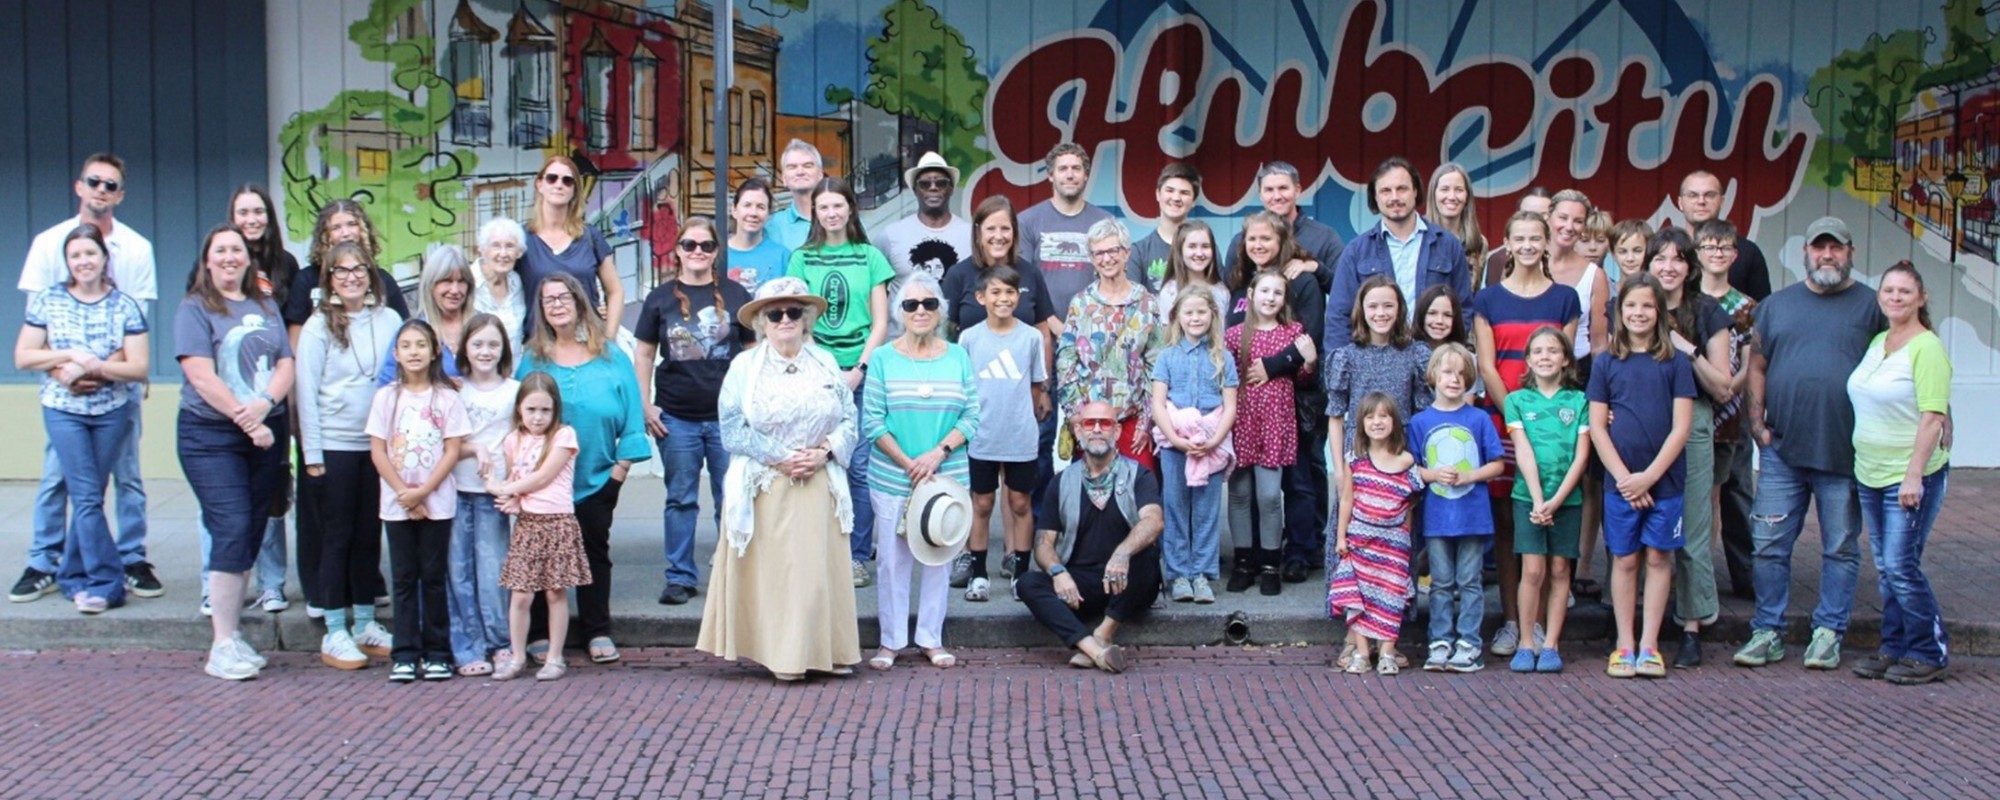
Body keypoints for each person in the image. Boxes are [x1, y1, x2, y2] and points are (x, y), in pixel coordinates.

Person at [1733, 217, 1887, 671]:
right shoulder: (1777, 306)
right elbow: (1757, 365)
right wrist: (1758, 426)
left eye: (1835, 248)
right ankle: (1767, 630)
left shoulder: (1873, 306)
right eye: (1819, 247)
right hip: (1783, 450)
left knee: (1839, 546)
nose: (1827, 256)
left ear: (1850, 252)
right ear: (1805, 252)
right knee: (1768, 544)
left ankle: (1828, 632)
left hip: (1845, 452)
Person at [697, 277, 862, 681]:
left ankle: (829, 650)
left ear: (806, 319)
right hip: (768, 484)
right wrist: (785, 457)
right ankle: (784, 656)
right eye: (775, 313)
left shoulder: (824, 362)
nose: (785, 319)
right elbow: (732, 429)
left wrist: (822, 453)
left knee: (820, 575)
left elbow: (849, 420)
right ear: (762, 323)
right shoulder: (744, 367)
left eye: (793, 312)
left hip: (820, 480)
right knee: (781, 576)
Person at [14, 153, 161, 605]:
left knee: (127, 478)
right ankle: (46, 561)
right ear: (79, 186)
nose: (101, 190)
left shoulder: (136, 248)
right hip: (62, 392)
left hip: (116, 388)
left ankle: (130, 557)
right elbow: (35, 331)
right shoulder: (48, 242)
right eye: (94, 181)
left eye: (111, 185)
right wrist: (67, 372)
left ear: (120, 194)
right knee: (61, 479)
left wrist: (96, 369)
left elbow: (135, 323)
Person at [175, 223, 294, 681]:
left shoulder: (265, 305)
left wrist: (265, 407)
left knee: (249, 530)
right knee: (231, 524)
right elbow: (201, 376)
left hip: (265, 432)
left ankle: (232, 635)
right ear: (208, 260)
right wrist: (248, 421)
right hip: (212, 437)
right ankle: (221, 643)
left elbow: (285, 362)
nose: (229, 257)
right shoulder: (195, 309)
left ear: (248, 259)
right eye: (220, 250)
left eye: (236, 251)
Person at [516, 273, 650, 665]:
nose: (556, 305)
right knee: (541, 554)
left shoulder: (611, 356)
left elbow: (632, 421)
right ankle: (539, 631)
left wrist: (618, 474)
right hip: (543, 481)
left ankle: (596, 629)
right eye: (547, 300)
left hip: (597, 476)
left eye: (563, 297)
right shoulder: (532, 358)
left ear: (580, 302)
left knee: (594, 551)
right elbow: (516, 415)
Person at [283, 199, 405, 617]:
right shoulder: (318, 325)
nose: (351, 278)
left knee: (369, 533)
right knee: (336, 535)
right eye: (342, 272)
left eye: (359, 271)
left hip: (374, 446)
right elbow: (307, 391)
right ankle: (335, 624)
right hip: (333, 445)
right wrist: (311, 454)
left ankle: (366, 618)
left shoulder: (388, 319)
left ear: (370, 275)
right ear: (329, 279)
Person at [1472, 210, 1580, 658]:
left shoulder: (1566, 299)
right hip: (1503, 420)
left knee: (1549, 517)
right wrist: (1515, 414)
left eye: (1537, 237)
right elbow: (1486, 365)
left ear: (1547, 242)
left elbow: (1567, 363)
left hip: (1555, 427)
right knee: (1506, 523)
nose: (1530, 245)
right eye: (1521, 238)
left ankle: (1540, 626)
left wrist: (1541, 416)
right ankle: (1513, 623)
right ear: (1507, 244)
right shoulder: (1489, 300)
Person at [634, 218, 753, 606]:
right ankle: (680, 576)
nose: (697, 251)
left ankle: (732, 572)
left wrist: (752, 405)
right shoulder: (660, 298)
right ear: (679, 251)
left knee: (731, 497)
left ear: (717, 251)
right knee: (681, 497)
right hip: (677, 416)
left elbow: (752, 354)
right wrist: (644, 404)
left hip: (727, 418)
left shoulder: (737, 295)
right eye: (689, 245)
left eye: (705, 245)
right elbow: (645, 353)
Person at [862, 273, 978, 670]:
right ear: (899, 313)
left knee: (938, 557)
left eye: (929, 303)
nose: (921, 311)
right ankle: (890, 641)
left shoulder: (958, 355)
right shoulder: (882, 358)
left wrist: (937, 453)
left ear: (941, 310)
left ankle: (930, 637)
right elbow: (873, 421)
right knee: (892, 562)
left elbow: (973, 415)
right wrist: (909, 463)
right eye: (911, 305)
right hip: (895, 475)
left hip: (945, 476)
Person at [1847, 261, 1952, 686]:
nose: (1895, 298)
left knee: (1901, 565)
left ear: (1921, 298)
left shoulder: (1927, 348)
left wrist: (1913, 476)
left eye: (1904, 292)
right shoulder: (1879, 341)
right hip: (1869, 472)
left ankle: (1929, 650)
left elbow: (1932, 416)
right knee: (1888, 567)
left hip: (1907, 477)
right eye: (1888, 290)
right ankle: (1894, 647)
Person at [787, 176, 894, 587]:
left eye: (838, 205)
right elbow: (795, 318)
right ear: (814, 212)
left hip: (861, 374)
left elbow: (881, 321)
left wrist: (859, 370)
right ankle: (816, 550)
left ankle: (855, 554)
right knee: (814, 459)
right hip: (816, 373)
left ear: (851, 208)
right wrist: (826, 371)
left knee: (860, 464)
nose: (831, 213)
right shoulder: (802, 259)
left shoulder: (869, 257)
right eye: (823, 207)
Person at [1588, 274, 1695, 680]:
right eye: (1631, 306)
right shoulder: (1606, 364)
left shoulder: (1676, 363)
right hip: (1620, 484)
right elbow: (1598, 427)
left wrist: (1648, 477)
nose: (1638, 313)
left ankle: (1650, 643)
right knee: (1626, 558)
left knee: (1658, 556)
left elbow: (1681, 427)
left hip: (1664, 482)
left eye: (1647, 306)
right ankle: (1624, 643)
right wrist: (1623, 478)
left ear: (1660, 312)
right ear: (1619, 312)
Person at [1644, 227, 1735, 668]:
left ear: (1690, 266)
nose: (1668, 267)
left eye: (1677, 259)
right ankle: (1634, 621)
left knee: (1693, 528)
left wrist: (1686, 349)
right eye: (1659, 258)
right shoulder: (1632, 305)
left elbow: (1722, 387)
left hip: (1693, 421)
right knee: (1635, 522)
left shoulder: (1708, 311)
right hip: (1642, 420)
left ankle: (1693, 624)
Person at [1016, 401, 1164, 674]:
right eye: (1089, 423)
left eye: (1105, 423)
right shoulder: (1062, 481)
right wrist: (1058, 572)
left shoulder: (1139, 475)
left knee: (1148, 554)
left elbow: (1154, 521)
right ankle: (1094, 649)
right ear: (1078, 431)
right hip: (1080, 584)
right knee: (1027, 583)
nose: (1097, 430)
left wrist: (1122, 554)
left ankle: (1105, 632)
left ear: (1117, 431)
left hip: (1127, 582)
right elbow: (1043, 543)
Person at [1226, 210, 1327, 582]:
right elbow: (1226, 362)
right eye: (1252, 239)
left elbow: (1307, 345)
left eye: (1266, 239)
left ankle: (1295, 552)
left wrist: (1273, 365)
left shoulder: (1300, 282)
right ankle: (1246, 557)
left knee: (1292, 484)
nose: (1258, 245)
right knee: (1244, 491)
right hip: (1245, 414)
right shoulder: (1239, 284)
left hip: (1285, 411)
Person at [368, 320, 470, 683]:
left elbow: (452, 450)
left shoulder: (447, 398)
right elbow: (378, 451)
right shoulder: (386, 397)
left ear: (435, 352)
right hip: (397, 504)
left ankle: (438, 652)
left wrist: (423, 492)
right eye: (406, 345)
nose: (414, 352)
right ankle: (405, 653)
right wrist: (405, 495)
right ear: (395, 354)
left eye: (421, 345)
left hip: (437, 503)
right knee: (404, 578)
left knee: (433, 577)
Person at [225, 184, 300, 613]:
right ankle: (214, 583)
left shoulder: (284, 264)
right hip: (229, 397)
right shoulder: (216, 258)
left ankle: (271, 582)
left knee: (271, 489)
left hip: (271, 392)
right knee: (224, 491)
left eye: (258, 212)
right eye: (243, 212)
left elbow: (289, 333)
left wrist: (282, 396)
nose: (251, 220)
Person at [957, 266, 1049, 601]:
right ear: (981, 297)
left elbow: (1037, 385)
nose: (1003, 298)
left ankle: (1020, 576)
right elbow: (963, 388)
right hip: (982, 436)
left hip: (1020, 436)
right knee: (981, 503)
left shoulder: (1031, 337)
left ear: (1018, 295)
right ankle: (978, 574)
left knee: (1020, 502)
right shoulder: (968, 338)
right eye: (995, 292)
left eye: (1010, 292)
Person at [491, 373, 591, 682]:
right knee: (520, 595)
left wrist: (505, 490)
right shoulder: (512, 440)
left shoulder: (563, 436)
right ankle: (518, 655)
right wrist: (513, 500)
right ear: (519, 408)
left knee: (554, 593)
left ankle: (555, 656)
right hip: (528, 525)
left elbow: (543, 477)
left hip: (557, 522)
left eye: (545, 410)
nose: (538, 417)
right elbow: (516, 476)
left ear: (555, 410)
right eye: (531, 409)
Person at [1413, 343, 1505, 673]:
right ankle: (1439, 640)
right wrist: (1433, 475)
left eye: (1462, 374)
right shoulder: (1420, 422)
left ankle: (1469, 643)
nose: (1454, 379)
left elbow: (1497, 464)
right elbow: (1412, 468)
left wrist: (1469, 475)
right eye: (1447, 372)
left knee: (1469, 581)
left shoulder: (1478, 419)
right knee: (1440, 583)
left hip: (1473, 517)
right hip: (1437, 519)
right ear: (1433, 375)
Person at [1504, 326, 1591, 674]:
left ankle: (1552, 643)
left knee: (1559, 569)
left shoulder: (1578, 401)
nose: (1545, 357)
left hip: (1567, 501)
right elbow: (1523, 451)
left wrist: (1556, 501)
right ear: (1527, 359)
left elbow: (1581, 457)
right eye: (1537, 351)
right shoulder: (1517, 401)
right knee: (1534, 569)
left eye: (1553, 350)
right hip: (1528, 498)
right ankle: (1526, 642)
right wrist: (1539, 499)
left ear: (1566, 358)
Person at [1327, 158, 1473, 352]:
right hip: (1376, 365)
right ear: (1375, 198)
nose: (1394, 197)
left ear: (1415, 192)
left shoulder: (1448, 245)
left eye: (1402, 189)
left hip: (1434, 363)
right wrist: (1340, 369)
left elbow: (1463, 308)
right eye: (1386, 191)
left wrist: (1450, 358)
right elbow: (1339, 317)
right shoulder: (1357, 251)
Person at [1150, 290, 1239, 604]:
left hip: (1211, 441)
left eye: (1202, 312)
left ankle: (1201, 574)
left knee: (1205, 509)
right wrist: (1175, 439)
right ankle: (1178, 575)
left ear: (1213, 315)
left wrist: (1215, 440)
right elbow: (1158, 403)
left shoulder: (1223, 357)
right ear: (1177, 317)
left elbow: (1230, 405)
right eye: (1189, 313)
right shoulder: (1167, 356)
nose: (1195, 318)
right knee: (1174, 506)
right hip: (1177, 443)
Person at [1329, 393, 1425, 676]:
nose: (1377, 422)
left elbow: (1411, 501)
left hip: (1393, 543)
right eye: (1370, 417)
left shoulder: (1406, 461)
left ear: (1395, 422)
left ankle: (1387, 652)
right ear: (1361, 424)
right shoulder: (1355, 460)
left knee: (1391, 596)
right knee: (1359, 596)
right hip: (1360, 540)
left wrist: (1405, 534)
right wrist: (1341, 537)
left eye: (1384, 416)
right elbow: (1347, 500)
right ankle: (1361, 651)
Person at [446, 314, 519, 676]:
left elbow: (522, 443)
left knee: (493, 571)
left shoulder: (514, 391)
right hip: (455, 489)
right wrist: (472, 448)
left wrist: (514, 489)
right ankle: (466, 646)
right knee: (458, 571)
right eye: (477, 344)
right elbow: (444, 446)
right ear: (465, 349)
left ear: (504, 347)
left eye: (493, 344)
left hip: (493, 493)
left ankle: (500, 642)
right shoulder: (453, 390)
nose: (485, 351)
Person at [1055, 218, 1160, 470]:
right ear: (1091, 259)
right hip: (1091, 423)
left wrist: (1147, 420)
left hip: (1132, 422)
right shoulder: (1081, 303)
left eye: (1113, 250)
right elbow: (1066, 360)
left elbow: (1155, 366)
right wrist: (1076, 415)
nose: (1107, 258)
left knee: (1139, 497)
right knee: (1091, 498)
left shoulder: (1147, 303)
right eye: (1098, 253)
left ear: (1127, 253)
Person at [1692, 219, 1758, 600]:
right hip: (1688, 407)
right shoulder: (1685, 297)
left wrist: (1728, 389)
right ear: (1697, 254)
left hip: (1728, 412)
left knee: (1718, 494)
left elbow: (1751, 363)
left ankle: (1711, 567)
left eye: (1724, 248)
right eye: (1709, 247)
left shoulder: (1745, 306)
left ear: (1735, 255)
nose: (1717, 254)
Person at [1326, 276, 1432, 468]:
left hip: (1402, 450)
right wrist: (1340, 470)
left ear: (1399, 309)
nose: (1381, 313)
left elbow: (1423, 412)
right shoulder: (1346, 357)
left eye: (1388, 306)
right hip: (1359, 452)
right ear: (1362, 310)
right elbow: (1336, 417)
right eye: (1373, 306)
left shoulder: (1415, 354)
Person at [519, 156, 623, 333]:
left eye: (567, 181)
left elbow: (616, 291)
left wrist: (610, 338)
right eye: (552, 178)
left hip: (588, 344)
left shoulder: (591, 236)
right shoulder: (520, 238)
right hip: (539, 347)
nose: (559, 185)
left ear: (574, 189)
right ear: (539, 184)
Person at [282, 199, 410, 342]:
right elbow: (295, 340)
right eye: (336, 227)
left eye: (352, 224)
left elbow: (404, 331)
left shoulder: (382, 280)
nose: (345, 233)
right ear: (325, 235)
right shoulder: (306, 279)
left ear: (363, 230)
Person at [876, 152, 972, 337]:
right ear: (915, 190)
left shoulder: (971, 235)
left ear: (951, 189)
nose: (933, 187)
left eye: (941, 182)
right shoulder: (890, 236)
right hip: (900, 346)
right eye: (925, 183)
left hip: (954, 345)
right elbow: (873, 292)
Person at [1018, 143, 1115, 314]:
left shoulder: (1105, 222)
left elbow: (1115, 278)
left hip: (1095, 326)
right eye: (1062, 169)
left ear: (1086, 175)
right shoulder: (1027, 221)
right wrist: (1050, 323)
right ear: (1050, 175)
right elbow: (1024, 282)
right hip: (1042, 330)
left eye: (1076, 168)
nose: (1070, 175)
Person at [1224, 161, 1344, 293]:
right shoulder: (1242, 241)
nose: (1276, 196)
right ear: (1260, 194)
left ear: (1297, 190)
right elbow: (1229, 291)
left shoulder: (1324, 237)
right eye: (1269, 190)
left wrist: (1315, 267)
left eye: (1283, 188)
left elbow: (1344, 291)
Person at [378, 246, 472, 383]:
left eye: (462, 281)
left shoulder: (480, 326)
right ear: (431, 285)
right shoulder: (411, 331)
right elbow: (388, 383)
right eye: (447, 281)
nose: (455, 290)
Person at [1676, 171, 1771, 301]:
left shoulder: (1748, 252)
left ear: (1721, 201)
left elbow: (1763, 310)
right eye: (1693, 195)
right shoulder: (1667, 250)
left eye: (1710, 195)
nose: (1701, 201)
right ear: (1680, 202)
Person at [1546, 190, 1609, 358]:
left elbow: (1599, 345)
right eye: (1563, 218)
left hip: (1578, 370)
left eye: (1578, 221)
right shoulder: (1528, 264)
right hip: (1530, 367)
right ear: (1548, 216)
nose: (1569, 227)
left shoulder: (1595, 276)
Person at [1127, 162, 1202, 293]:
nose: (1176, 198)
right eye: (1170, 190)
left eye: (1184, 193)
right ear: (1157, 194)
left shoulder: (1204, 250)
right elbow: (1133, 304)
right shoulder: (1139, 252)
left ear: (1194, 201)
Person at [471, 218, 529, 351]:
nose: (503, 254)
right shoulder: (467, 282)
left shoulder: (517, 282)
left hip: (513, 369)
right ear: (482, 249)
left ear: (519, 252)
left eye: (510, 246)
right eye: (495, 245)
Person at [724, 177, 790, 291]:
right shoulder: (717, 254)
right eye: (747, 205)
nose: (753, 213)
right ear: (734, 210)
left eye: (760, 207)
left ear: (768, 214)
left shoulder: (782, 256)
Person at [1425, 162, 1485, 288]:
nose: (1452, 197)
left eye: (1459, 190)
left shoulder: (1478, 243)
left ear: (1467, 195)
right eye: (1444, 189)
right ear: (1433, 194)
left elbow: (1473, 292)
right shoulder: (1419, 236)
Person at [1480, 188, 1552, 289]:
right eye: (1527, 214)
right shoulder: (1497, 259)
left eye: (1542, 216)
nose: (1532, 221)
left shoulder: (1574, 257)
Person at [1157, 221, 1229, 316]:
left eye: (1205, 246)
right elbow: (1166, 330)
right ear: (1180, 251)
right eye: (1192, 246)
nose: (1199, 253)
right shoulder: (1169, 293)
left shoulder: (1221, 291)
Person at [768, 139, 824, 251]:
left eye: (807, 166)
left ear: (820, 174)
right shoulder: (771, 227)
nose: (800, 172)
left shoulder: (842, 219)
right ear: (784, 178)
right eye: (792, 167)